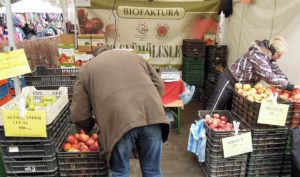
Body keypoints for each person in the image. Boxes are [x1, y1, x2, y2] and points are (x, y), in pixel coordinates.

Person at [70, 46, 170, 177]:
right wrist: (148, 105)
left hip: (118, 123)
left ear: (95, 56)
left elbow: (79, 115)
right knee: (153, 171)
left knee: (120, 172)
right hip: (153, 118)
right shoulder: (136, 57)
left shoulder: (87, 69)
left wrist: (90, 128)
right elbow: (159, 85)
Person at [206, 36, 296, 110]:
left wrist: (287, 82)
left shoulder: (269, 57)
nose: (279, 58)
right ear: (272, 50)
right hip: (229, 81)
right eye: (279, 55)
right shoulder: (257, 55)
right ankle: (201, 129)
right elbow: (269, 76)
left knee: (231, 112)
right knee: (214, 108)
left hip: (241, 87)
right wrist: (289, 86)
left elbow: (276, 70)